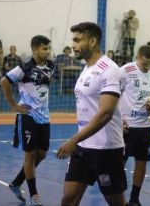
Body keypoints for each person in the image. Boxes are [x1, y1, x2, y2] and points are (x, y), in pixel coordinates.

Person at [56, 22, 126, 206]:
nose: (73, 45)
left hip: (106, 149)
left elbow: (105, 114)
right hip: (82, 148)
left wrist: (73, 140)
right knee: (68, 199)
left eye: (78, 40)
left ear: (93, 41)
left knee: (116, 202)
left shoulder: (109, 69)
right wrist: (78, 142)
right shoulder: (86, 69)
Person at [1, 35, 54, 206]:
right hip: (28, 116)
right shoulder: (24, 68)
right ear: (35, 50)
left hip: (44, 117)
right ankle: (34, 195)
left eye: (48, 48)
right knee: (30, 155)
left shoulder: (51, 66)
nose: (48, 52)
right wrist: (14, 105)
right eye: (44, 48)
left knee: (42, 154)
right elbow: (4, 81)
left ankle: (16, 182)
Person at [120, 45, 150, 206]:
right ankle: (118, 199)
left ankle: (134, 199)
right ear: (137, 58)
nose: (147, 67)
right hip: (126, 126)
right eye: (144, 64)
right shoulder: (125, 71)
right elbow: (112, 95)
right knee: (120, 164)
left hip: (146, 127)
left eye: (149, 63)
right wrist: (118, 119)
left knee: (142, 163)